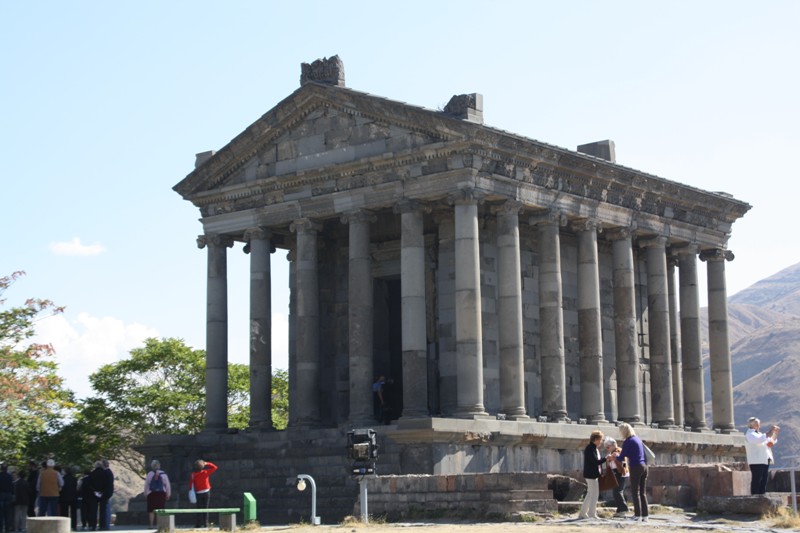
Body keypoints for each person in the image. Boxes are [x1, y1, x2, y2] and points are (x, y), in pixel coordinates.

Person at [614, 423, 648, 522]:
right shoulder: (637, 439)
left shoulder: (627, 441)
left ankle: (637, 515)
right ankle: (645, 516)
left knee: (635, 492)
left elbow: (621, 457)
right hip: (644, 466)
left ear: (623, 432)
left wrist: (615, 455)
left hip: (635, 467)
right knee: (642, 492)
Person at [744, 416, 779, 495]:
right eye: (756, 424)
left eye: (758, 424)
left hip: (764, 459)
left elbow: (771, 442)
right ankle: (755, 495)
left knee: (764, 479)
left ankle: (762, 495)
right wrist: (771, 430)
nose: (758, 426)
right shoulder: (750, 434)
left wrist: (775, 433)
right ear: (751, 425)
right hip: (756, 460)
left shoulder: (759, 434)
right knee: (757, 478)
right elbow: (760, 439)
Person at [577, 430, 606, 520]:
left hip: (592, 475)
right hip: (591, 475)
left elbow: (597, 461)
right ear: (596, 439)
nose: (601, 442)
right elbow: (595, 462)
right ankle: (592, 513)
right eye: (600, 440)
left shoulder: (593, 448)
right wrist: (606, 459)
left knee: (590, 494)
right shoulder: (590, 448)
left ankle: (583, 513)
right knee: (594, 494)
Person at [604, 436, 629, 516]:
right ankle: (619, 510)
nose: (607, 448)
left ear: (613, 445)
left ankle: (623, 509)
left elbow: (623, 461)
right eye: (606, 447)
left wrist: (614, 458)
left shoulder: (618, 450)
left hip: (621, 473)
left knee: (618, 491)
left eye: (608, 447)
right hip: (616, 472)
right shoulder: (612, 453)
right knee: (616, 492)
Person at [189, 460, 217, 528]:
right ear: (202, 467)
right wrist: (207, 463)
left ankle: (198, 524)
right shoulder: (205, 472)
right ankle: (205, 523)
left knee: (199, 509)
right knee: (206, 508)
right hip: (206, 492)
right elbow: (215, 467)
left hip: (198, 493)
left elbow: (190, 484)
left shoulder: (193, 475)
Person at [144, 460, 171, 527]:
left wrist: (145, 493)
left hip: (151, 493)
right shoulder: (164, 474)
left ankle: (151, 525)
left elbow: (146, 485)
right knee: (160, 509)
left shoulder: (150, 474)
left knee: (151, 510)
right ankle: (160, 525)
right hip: (161, 494)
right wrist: (168, 494)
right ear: (159, 466)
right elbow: (167, 485)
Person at [59, 466, 79, 531]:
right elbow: (77, 488)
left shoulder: (63, 479)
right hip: (73, 497)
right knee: (74, 512)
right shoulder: (74, 479)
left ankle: (64, 525)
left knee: (64, 512)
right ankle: (74, 525)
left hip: (64, 497)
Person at [100, 461, 114, 530]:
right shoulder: (110, 472)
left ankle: (105, 525)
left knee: (105, 509)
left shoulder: (105, 473)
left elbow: (104, 484)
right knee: (107, 508)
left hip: (105, 493)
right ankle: (106, 524)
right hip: (109, 492)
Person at [0, 465, 13, 533]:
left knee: (1, 513)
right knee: (7, 513)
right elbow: (12, 485)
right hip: (8, 494)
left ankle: (1, 528)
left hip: (1, 494)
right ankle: (7, 529)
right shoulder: (10, 476)